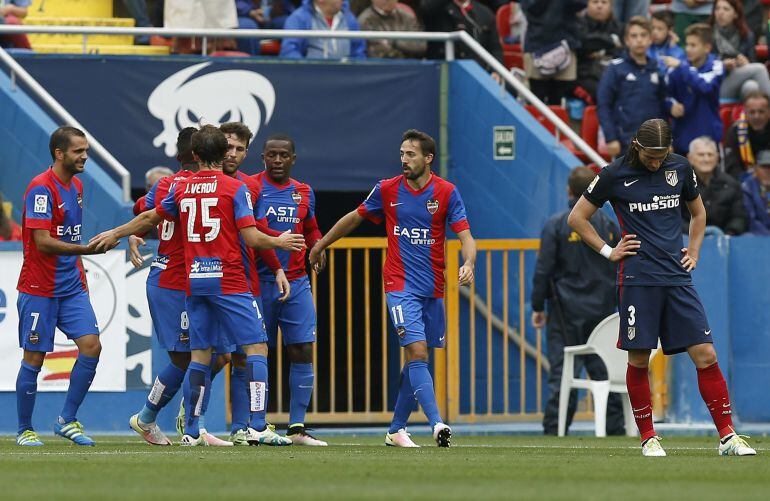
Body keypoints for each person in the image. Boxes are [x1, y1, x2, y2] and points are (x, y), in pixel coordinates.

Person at [90, 126, 305, 446]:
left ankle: (191, 429)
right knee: (257, 346)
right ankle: (258, 424)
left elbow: (149, 217)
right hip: (228, 279)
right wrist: (280, 240)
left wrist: (117, 232)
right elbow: (251, 236)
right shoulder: (234, 188)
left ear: (195, 155)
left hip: (194, 280)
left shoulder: (180, 189)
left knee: (201, 355)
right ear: (223, 154)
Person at [567, 118, 756, 457]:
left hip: (677, 278)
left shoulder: (680, 168)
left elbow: (698, 214)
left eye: (661, 155)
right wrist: (609, 251)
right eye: (651, 156)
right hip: (639, 279)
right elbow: (577, 217)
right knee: (639, 359)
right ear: (637, 147)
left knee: (706, 354)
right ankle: (648, 437)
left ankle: (728, 436)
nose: (656, 162)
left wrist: (694, 250)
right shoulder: (613, 174)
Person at [309, 129, 476, 448]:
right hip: (399, 285)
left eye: (410, 154)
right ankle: (437, 423)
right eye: (401, 154)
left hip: (433, 289)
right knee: (416, 352)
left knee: (419, 359)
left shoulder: (446, 192)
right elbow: (354, 218)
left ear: (428, 159)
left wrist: (468, 263)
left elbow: (466, 236)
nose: (403, 160)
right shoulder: (386, 190)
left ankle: (396, 429)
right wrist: (321, 244)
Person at [127, 128, 235, 446]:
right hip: (172, 281)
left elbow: (142, 211)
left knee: (217, 355)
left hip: (198, 280)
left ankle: (177, 419)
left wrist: (140, 230)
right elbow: (145, 214)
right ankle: (180, 422)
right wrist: (137, 230)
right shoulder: (175, 185)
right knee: (189, 359)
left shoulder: (172, 185)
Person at [15, 127, 116, 447]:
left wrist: (80, 269)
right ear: (59, 153)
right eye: (78, 151)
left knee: (91, 346)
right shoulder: (40, 189)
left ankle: (66, 419)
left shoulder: (78, 185)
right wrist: (85, 251)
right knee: (34, 357)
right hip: (39, 288)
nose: (85, 156)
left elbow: (69, 233)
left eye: (86, 150)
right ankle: (24, 429)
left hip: (71, 287)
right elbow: (43, 243)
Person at [241, 133, 329, 446]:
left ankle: (296, 427)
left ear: (293, 159)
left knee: (302, 348)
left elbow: (310, 227)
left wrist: (318, 245)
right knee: (252, 354)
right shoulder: (251, 187)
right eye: (272, 155)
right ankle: (252, 424)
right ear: (262, 158)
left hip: (297, 281)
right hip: (259, 282)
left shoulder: (303, 192)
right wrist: (276, 258)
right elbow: (251, 229)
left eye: (283, 156)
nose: (277, 161)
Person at [531, 166, 624, 436]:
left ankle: (555, 430)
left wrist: (538, 306)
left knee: (562, 374)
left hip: (564, 311)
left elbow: (543, 270)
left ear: (569, 191)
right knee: (606, 373)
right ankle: (616, 431)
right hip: (603, 314)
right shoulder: (608, 226)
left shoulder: (556, 224)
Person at [218, 122, 296, 446]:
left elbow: (257, 231)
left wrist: (277, 269)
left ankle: (240, 425)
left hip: (240, 279)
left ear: (248, 153)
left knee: (237, 355)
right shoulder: (196, 183)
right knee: (214, 355)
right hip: (216, 281)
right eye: (227, 147)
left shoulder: (249, 186)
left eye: (239, 148)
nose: (232, 154)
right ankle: (250, 424)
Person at [597, 17, 670, 158]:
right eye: (634, 36)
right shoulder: (615, 68)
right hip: (624, 142)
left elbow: (662, 107)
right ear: (626, 40)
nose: (639, 40)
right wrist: (610, 137)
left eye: (643, 35)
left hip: (654, 143)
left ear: (650, 39)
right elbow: (603, 105)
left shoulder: (657, 69)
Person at [663, 23, 724, 154]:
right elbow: (665, 95)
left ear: (707, 47)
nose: (688, 49)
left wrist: (682, 67)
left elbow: (705, 87)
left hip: (709, 141)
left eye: (693, 45)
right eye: (687, 44)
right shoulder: (676, 68)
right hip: (682, 140)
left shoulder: (716, 66)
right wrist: (671, 106)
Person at [520, 0, 586, 104]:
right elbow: (531, 7)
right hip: (536, 45)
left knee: (557, 100)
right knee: (536, 99)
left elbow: (581, 4)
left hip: (565, 45)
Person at [682, 136, 746, 235]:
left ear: (717, 158)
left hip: (723, 240)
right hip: (687, 239)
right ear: (690, 158)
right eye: (701, 155)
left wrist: (729, 234)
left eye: (710, 154)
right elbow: (672, 218)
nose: (706, 159)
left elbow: (739, 217)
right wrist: (698, 232)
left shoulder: (731, 184)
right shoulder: (679, 185)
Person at [709, 0, 770, 101]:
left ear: (736, 14)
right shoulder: (707, 34)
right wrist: (722, 65)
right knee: (759, 68)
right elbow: (701, 65)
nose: (720, 12)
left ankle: (756, 115)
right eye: (717, 9)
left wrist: (746, 63)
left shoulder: (747, 35)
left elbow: (752, 62)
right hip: (716, 83)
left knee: (751, 86)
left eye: (726, 9)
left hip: (739, 80)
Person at [421, 0, 503, 73]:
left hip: (478, 72)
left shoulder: (485, 13)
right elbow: (426, 9)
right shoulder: (438, 8)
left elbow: (496, 48)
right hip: (444, 71)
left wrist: (496, 72)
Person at [280, 0, 366, 60]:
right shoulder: (298, 19)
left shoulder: (349, 19)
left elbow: (359, 52)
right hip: (311, 77)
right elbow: (289, 52)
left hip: (346, 77)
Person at [575, 0, 624, 101]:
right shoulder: (578, 24)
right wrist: (612, 41)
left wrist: (598, 51)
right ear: (587, 4)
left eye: (604, 2)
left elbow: (621, 53)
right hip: (585, 76)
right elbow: (583, 43)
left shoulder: (619, 28)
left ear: (611, 6)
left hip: (613, 74)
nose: (599, 6)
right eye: (595, 2)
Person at [357, 0, 427, 59]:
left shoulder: (407, 17)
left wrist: (395, 42)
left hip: (413, 67)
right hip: (381, 69)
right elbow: (377, 53)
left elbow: (421, 46)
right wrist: (406, 47)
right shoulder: (366, 20)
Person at [724, 91, 770, 180]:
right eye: (752, 112)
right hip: (746, 182)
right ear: (745, 112)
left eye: (761, 112)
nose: (756, 116)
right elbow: (731, 167)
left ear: (769, 112)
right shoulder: (735, 131)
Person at [741, 149, 770, 234]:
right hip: (758, 236)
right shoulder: (747, 188)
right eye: (763, 167)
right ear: (755, 168)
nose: (767, 171)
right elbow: (751, 220)